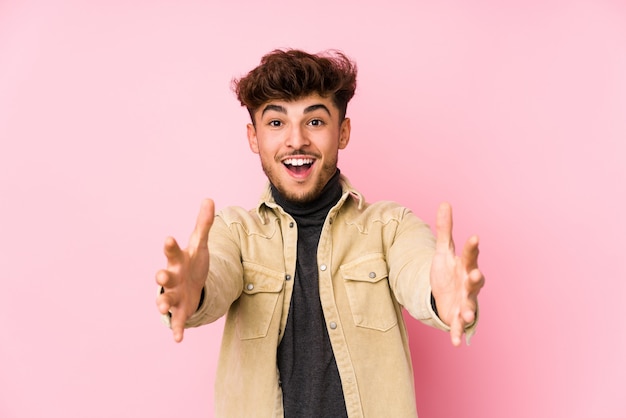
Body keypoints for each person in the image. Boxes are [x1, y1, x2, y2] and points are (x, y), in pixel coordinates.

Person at [155, 49, 485, 418]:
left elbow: (419, 270)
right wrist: (193, 291)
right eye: (276, 123)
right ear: (253, 137)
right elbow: (215, 276)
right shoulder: (233, 232)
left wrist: (440, 296)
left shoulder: (390, 227)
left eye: (314, 122)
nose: (296, 141)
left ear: (342, 132)